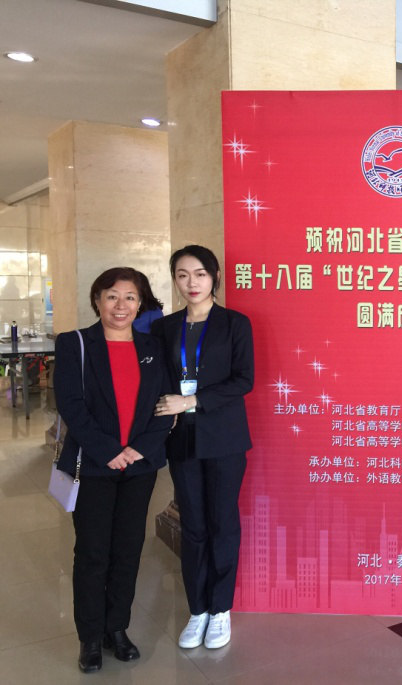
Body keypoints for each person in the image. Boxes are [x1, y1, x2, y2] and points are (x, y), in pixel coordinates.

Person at [54, 267, 172, 673]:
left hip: (140, 466)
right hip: (94, 465)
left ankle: (116, 628)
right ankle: (89, 636)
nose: (121, 306)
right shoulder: (75, 344)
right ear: (97, 300)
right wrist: (109, 451)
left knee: (127, 549)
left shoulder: (153, 346)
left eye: (130, 298)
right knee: (92, 552)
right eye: (112, 296)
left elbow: (165, 403)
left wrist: (139, 448)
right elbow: (71, 405)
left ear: (140, 304)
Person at [152, 245, 254, 650]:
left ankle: (221, 607)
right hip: (182, 438)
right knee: (192, 523)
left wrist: (191, 400)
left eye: (199, 274)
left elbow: (243, 380)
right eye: (182, 275)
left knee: (222, 522)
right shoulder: (164, 327)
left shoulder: (235, 323)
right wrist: (166, 407)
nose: (191, 283)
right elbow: (159, 378)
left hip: (224, 437)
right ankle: (198, 609)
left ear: (215, 277)